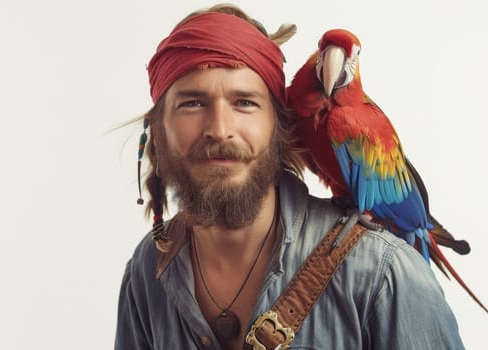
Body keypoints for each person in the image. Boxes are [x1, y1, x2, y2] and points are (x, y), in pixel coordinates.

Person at [114, 4, 465, 349]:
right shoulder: (148, 270)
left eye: (244, 103)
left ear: (279, 125)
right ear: (157, 132)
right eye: (192, 103)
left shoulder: (385, 274)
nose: (220, 130)